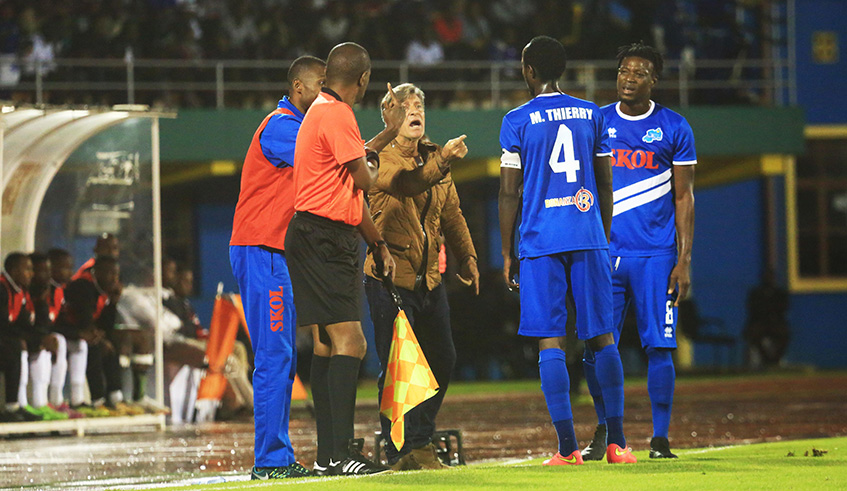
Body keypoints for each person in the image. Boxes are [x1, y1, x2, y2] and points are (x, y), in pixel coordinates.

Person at [498, 36, 636, 466]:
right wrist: (601, 235)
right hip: (588, 233)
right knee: (603, 336)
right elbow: (607, 183)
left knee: (550, 340)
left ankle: (567, 448)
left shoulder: (516, 120)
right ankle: (617, 445)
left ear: (529, 71)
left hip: (540, 240)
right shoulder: (592, 113)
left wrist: (507, 253)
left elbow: (508, 193)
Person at [285, 41, 404, 476]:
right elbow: (365, 181)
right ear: (364, 78)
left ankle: (326, 457)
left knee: (326, 344)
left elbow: (348, 186)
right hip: (325, 239)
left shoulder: (322, 110)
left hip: (314, 235)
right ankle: (339, 454)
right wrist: (386, 142)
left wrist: (377, 243)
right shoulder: (337, 114)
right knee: (352, 342)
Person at [581, 42, 696, 461]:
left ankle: (660, 439)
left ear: (654, 80)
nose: (629, 79)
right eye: (623, 71)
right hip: (604, 255)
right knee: (595, 346)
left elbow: (684, 198)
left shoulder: (674, 127)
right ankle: (608, 432)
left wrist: (683, 261)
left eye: (639, 73)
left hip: (656, 256)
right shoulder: (597, 122)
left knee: (660, 346)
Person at [363, 82, 478, 470]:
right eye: (406, 106)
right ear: (389, 115)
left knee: (442, 359)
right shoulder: (378, 157)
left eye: (419, 106)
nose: (415, 111)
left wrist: (468, 256)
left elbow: (452, 214)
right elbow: (407, 184)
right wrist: (442, 159)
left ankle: (420, 439)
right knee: (398, 367)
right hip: (389, 278)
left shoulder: (432, 156)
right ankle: (399, 451)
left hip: (429, 279)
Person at [229, 55, 327, 480]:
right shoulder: (281, 126)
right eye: (321, 84)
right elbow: (330, 162)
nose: (326, 92)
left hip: (274, 253)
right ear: (298, 87)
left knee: (282, 355)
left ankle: (278, 456)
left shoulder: (299, 127)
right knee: (274, 355)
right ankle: (270, 461)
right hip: (261, 249)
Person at [56, 255, 131, 416]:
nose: (114, 278)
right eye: (110, 273)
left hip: (76, 333)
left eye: (116, 274)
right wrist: (98, 336)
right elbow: (84, 321)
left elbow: (105, 326)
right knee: (94, 345)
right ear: (97, 273)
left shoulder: (104, 291)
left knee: (112, 342)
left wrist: (113, 302)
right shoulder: (83, 287)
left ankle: (115, 397)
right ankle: (98, 400)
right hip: (65, 332)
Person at [27, 252, 73, 419]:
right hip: (19, 341)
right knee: (44, 345)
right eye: (43, 271)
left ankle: (55, 400)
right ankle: (38, 403)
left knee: (59, 340)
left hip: (34, 338)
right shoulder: (23, 292)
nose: (47, 275)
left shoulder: (54, 291)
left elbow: (51, 324)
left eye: (48, 271)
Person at [0, 253, 42, 422]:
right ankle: (12, 407)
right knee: (14, 347)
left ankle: (19, 406)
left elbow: (24, 323)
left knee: (32, 345)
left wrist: (39, 339)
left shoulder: (19, 291)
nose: (32, 274)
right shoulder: (2, 288)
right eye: (28, 269)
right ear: (14, 271)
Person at [47, 248, 89, 410]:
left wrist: (80, 333)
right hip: (41, 337)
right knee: (60, 342)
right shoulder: (43, 289)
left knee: (81, 344)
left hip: (55, 335)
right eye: (65, 268)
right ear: (51, 268)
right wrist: (75, 332)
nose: (70, 272)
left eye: (71, 268)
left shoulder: (61, 290)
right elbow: (48, 324)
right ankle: (55, 399)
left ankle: (77, 398)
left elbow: (61, 321)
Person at [744, 268, 789, 368]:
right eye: (766, 277)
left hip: (776, 322)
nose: (769, 279)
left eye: (771, 277)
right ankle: (766, 359)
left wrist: (772, 315)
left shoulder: (780, 293)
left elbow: (783, 308)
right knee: (754, 335)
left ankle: (775, 360)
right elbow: (752, 309)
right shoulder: (756, 293)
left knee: (784, 335)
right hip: (760, 322)